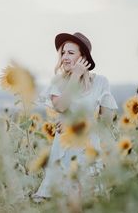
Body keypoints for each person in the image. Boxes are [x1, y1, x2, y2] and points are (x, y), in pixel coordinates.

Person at [32, 32, 118, 202]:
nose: (64, 57)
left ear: (83, 57)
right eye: (63, 52)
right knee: (62, 200)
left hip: (89, 149)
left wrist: (75, 124)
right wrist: (76, 76)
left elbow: (106, 121)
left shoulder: (100, 82)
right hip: (64, 151)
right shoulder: (58, 82)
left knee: (90, 200)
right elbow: (61, 106)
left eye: (71, 53)